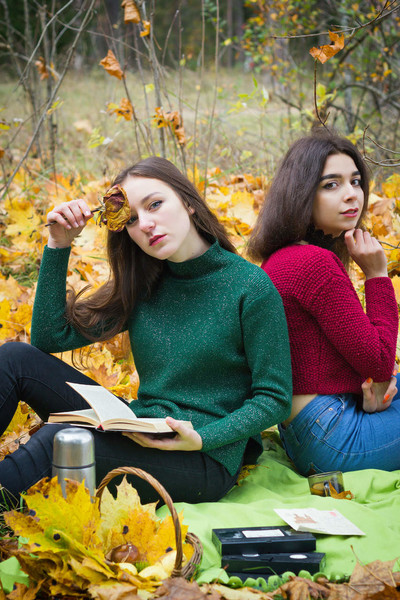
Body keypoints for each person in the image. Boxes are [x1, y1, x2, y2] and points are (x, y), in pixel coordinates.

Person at [0, 157, 292, 503]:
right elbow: (48, 337)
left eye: (155, 204)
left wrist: (203, 438)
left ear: (188, 202)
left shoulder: (250, 287)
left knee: (61, 442)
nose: (147, 225)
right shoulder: (144, 281)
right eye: (132, 220)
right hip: (140, 425)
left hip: (204, 457)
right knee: (14, 358)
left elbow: (274, 399)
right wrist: (59, 244)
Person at [248, 131, 399, 476]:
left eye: (355, 181)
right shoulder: (314, 264)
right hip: (333, 436)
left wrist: (372, 389)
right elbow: (379, 361)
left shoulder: (282, 257)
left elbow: (335, 357)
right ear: (302, 194)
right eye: (331, 185)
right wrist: (377, 275)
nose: (351, 194)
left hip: (308, 429)